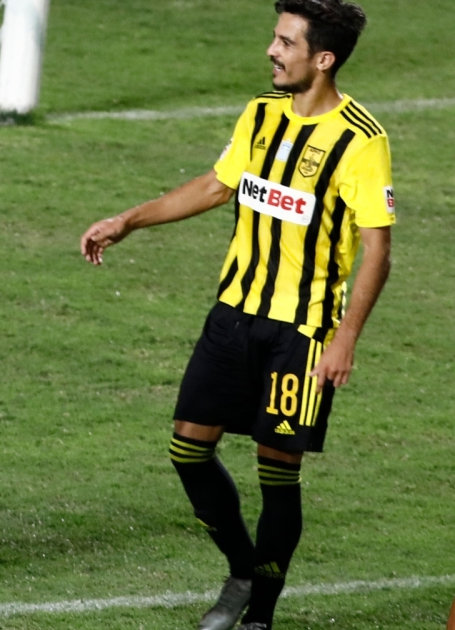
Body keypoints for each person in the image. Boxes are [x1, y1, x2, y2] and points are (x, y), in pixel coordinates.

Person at [79, 2, 391, 629]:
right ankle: (243, 570)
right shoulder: (261, 112)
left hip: (302, 332)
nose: (271, 50)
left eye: (285, 42)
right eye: (275, 38)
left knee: (278, 472)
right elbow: (218, 184)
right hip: (233, 315)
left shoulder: (361, 139)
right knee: (187, 449)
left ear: (323, 58)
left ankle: (259, 616)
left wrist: (345, 339)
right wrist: (128, 221)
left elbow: (377, 250)